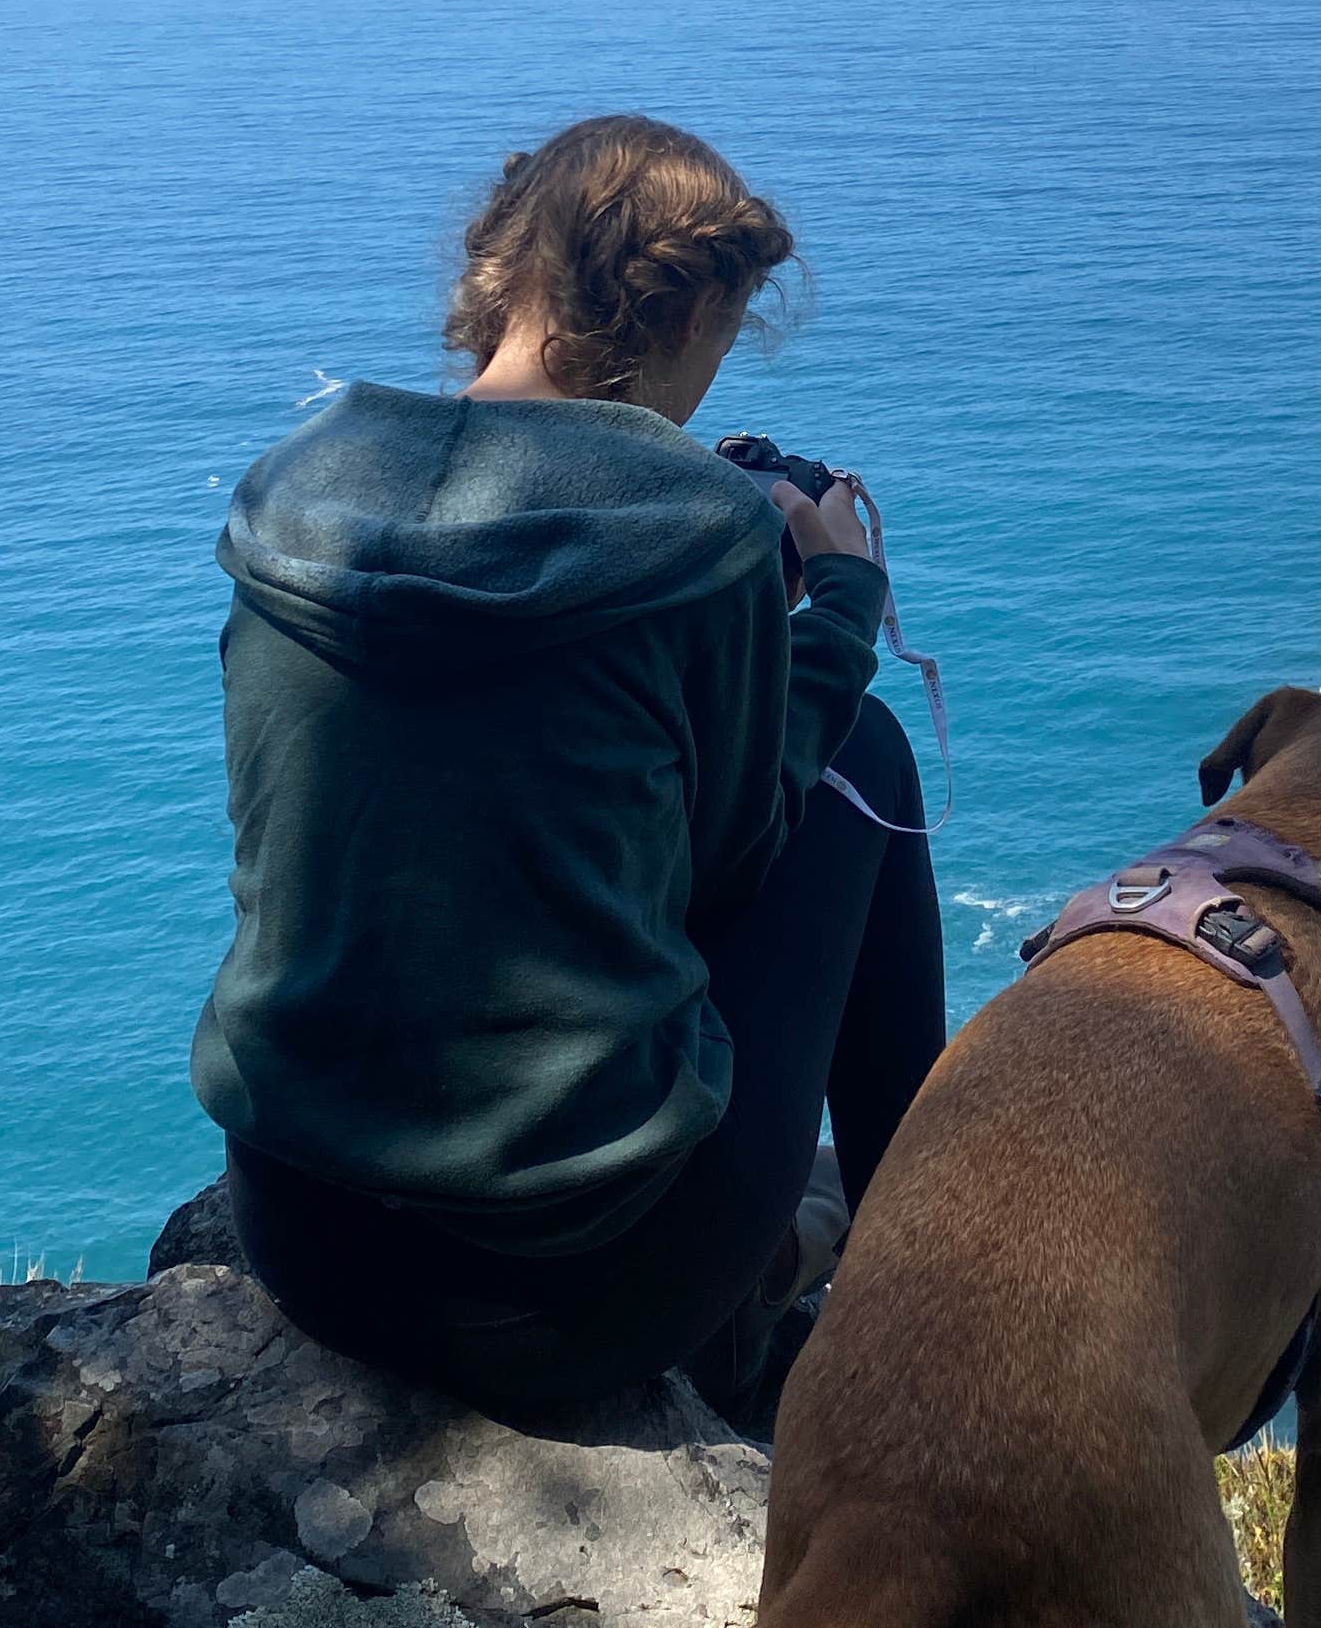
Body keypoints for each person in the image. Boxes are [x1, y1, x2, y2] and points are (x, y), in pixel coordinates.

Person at [190, 112, 946, 1424]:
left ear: (500, 271)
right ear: (686, 310)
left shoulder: (290, 491)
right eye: (726, 329)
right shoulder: (700, 527)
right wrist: (833, 607)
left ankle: (784, 1283)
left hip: (305, 1237)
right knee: (858, 757)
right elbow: (736, 860)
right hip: (567, 1302)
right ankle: (923, 1300)